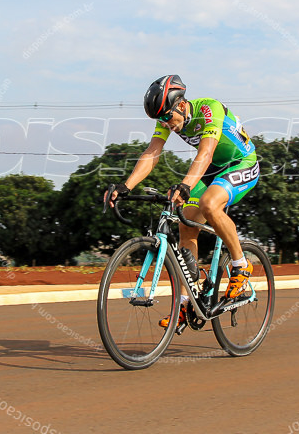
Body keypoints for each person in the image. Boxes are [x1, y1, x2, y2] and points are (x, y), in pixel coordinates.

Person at [104, 74, 260, 328]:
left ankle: (241, 266)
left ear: (181, 104)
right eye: (161, 119)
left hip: (241, 163)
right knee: (186, 225)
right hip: (212, 171)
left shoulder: (209, 109)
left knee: (209, 204)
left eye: (168, 116)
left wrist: (186, 185)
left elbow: (206, 152)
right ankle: (187, 305)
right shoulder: (166, 119)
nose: (167, 123)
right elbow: (153, 152)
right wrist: (126, 185)